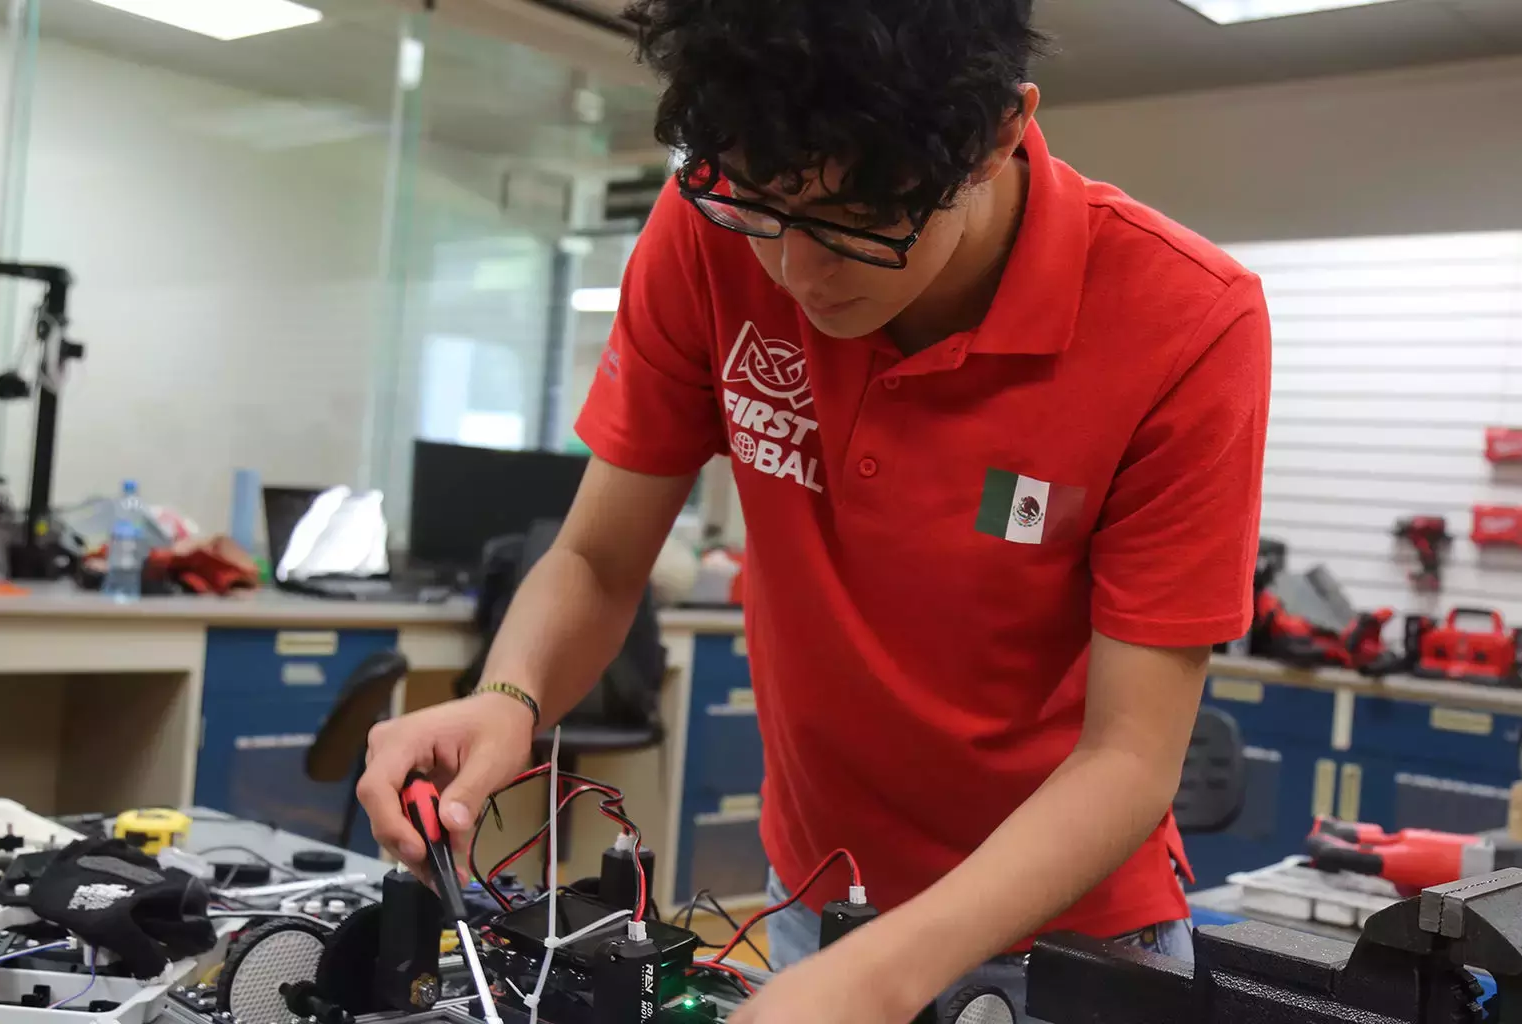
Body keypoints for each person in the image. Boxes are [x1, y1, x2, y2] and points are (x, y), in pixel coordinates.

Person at [358, 0, 1272, 1019]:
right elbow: (600, 561)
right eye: (760, 207)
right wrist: (511, 697)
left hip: (1078, 945)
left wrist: (882, 975)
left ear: (995, 138)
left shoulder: (1186, 320)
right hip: (820, 907)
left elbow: (1130, 758)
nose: (794, 272)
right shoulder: (709, 226)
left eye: (856, 225)